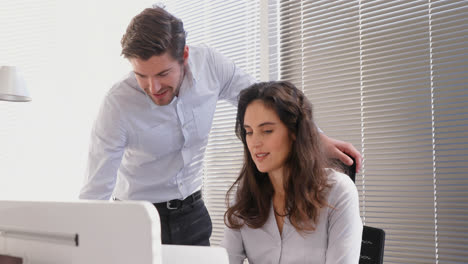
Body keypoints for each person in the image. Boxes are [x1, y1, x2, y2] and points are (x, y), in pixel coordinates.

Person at [79, 6, 362, 246]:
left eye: (163, 73)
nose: (153, 87)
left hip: (192, 216)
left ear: (185, 56)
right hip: (136, 221)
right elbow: (95, 192)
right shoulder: (117, 105)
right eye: (142, 75)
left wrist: (315, 137)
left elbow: (265, 100)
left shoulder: (210, 66)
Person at [221, 81, 363, 263]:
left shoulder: (339, 191)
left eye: (267, 131)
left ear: (294, 131)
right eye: (249, 132)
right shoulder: (245, 195)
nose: (255, 143)